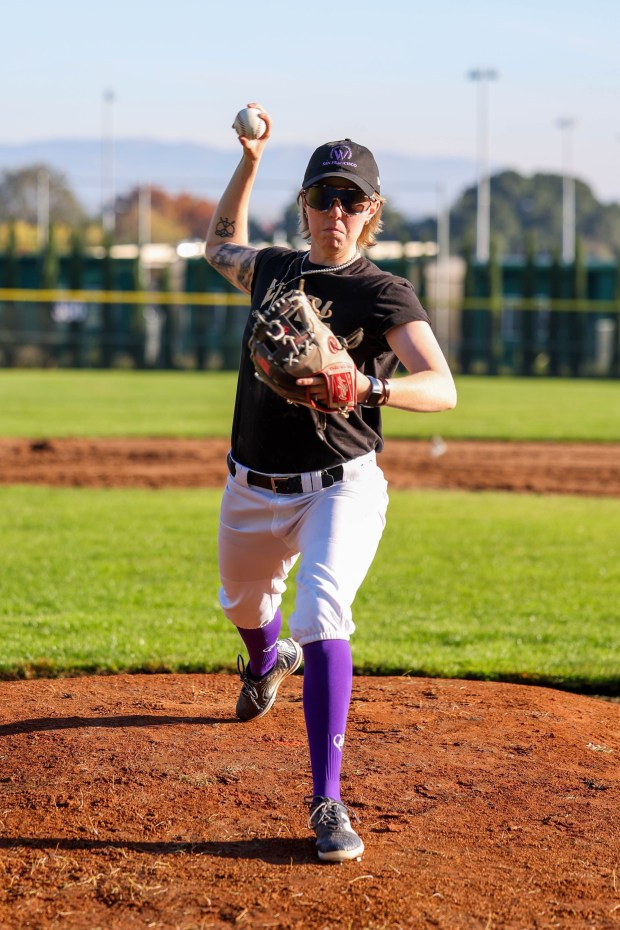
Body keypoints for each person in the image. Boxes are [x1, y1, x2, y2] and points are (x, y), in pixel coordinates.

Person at [204, 103, 456, 863]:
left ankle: (327, 800)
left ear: (371, 211)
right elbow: (220, 244)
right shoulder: (277, 269)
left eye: (351, 200)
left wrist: (371, 390)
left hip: (339, 486)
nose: (334, 213)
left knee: (321, 611)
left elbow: (440, 386)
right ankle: (263, 661)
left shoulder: (384, 293)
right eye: (323, 197)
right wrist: (249, 162)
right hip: (251, 488)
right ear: (305, 204)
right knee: (245, 607)